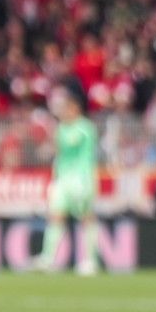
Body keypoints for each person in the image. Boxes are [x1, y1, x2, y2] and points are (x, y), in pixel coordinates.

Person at [38, 84, 101, 276]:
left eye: (66, 107)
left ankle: (90, 261)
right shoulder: (61, 128)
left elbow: (73, 144)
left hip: (81, 178)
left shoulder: (85, 127)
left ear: (75, 108)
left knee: (86, 216)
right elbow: (57, 152)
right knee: (56, 216)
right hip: (62, 178)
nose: (63, 111)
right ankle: (48, 258)